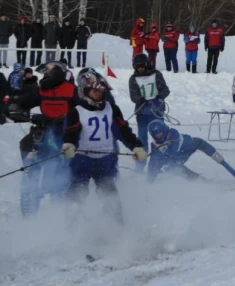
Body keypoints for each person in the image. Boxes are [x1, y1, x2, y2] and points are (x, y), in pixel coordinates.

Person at [62, 72, 147, 224]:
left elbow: (123, 130)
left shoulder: (111, 109)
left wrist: (136, 146)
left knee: (110, 196)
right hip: (82, 160)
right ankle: (72, 229)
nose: (99, 94)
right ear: (85, 91)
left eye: (101, 91)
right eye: (95, 91)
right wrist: (69, 144)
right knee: (76, 195)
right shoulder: (76, 111)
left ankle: (116, 228)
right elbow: (71, 131)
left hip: (105, 161)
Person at [10, 61, 80, 213]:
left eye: (48, 72)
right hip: (45, 128)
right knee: (26, 144)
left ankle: (68, 191)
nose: (45, 76)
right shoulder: (41, 89)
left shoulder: (71, 89)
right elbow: (28, 99)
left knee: (70, 156)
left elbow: (81, 108)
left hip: (65, 130)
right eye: (45, 73)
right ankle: (31, 177)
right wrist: (15, 104)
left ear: (57, 73)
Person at [147, 120, 228, 182]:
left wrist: (162, 160)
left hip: (187, 147)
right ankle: (197, 179)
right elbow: (153, 161)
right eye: (156, 134)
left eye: (160, 133)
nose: (158, 136)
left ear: (164, 130)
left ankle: (218, 158)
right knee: (173, 167)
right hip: (177, 157)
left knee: (198, 141)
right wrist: (150, 179)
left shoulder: (173, 133)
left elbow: (174, 151)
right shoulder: (155, 145)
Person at [128, 53, 170, 172]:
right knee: (142, 140)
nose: (140, 68)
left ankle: (162, 165)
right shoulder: (133, 79)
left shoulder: (156, 74)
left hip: (157, 112)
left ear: (146, 65)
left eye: (142, 66)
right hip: (142, 113)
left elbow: (165, 90)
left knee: (161, 140)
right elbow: (133, 95)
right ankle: (140, 167)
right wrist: (140, 100)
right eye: (138, 66)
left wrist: (159, 98)